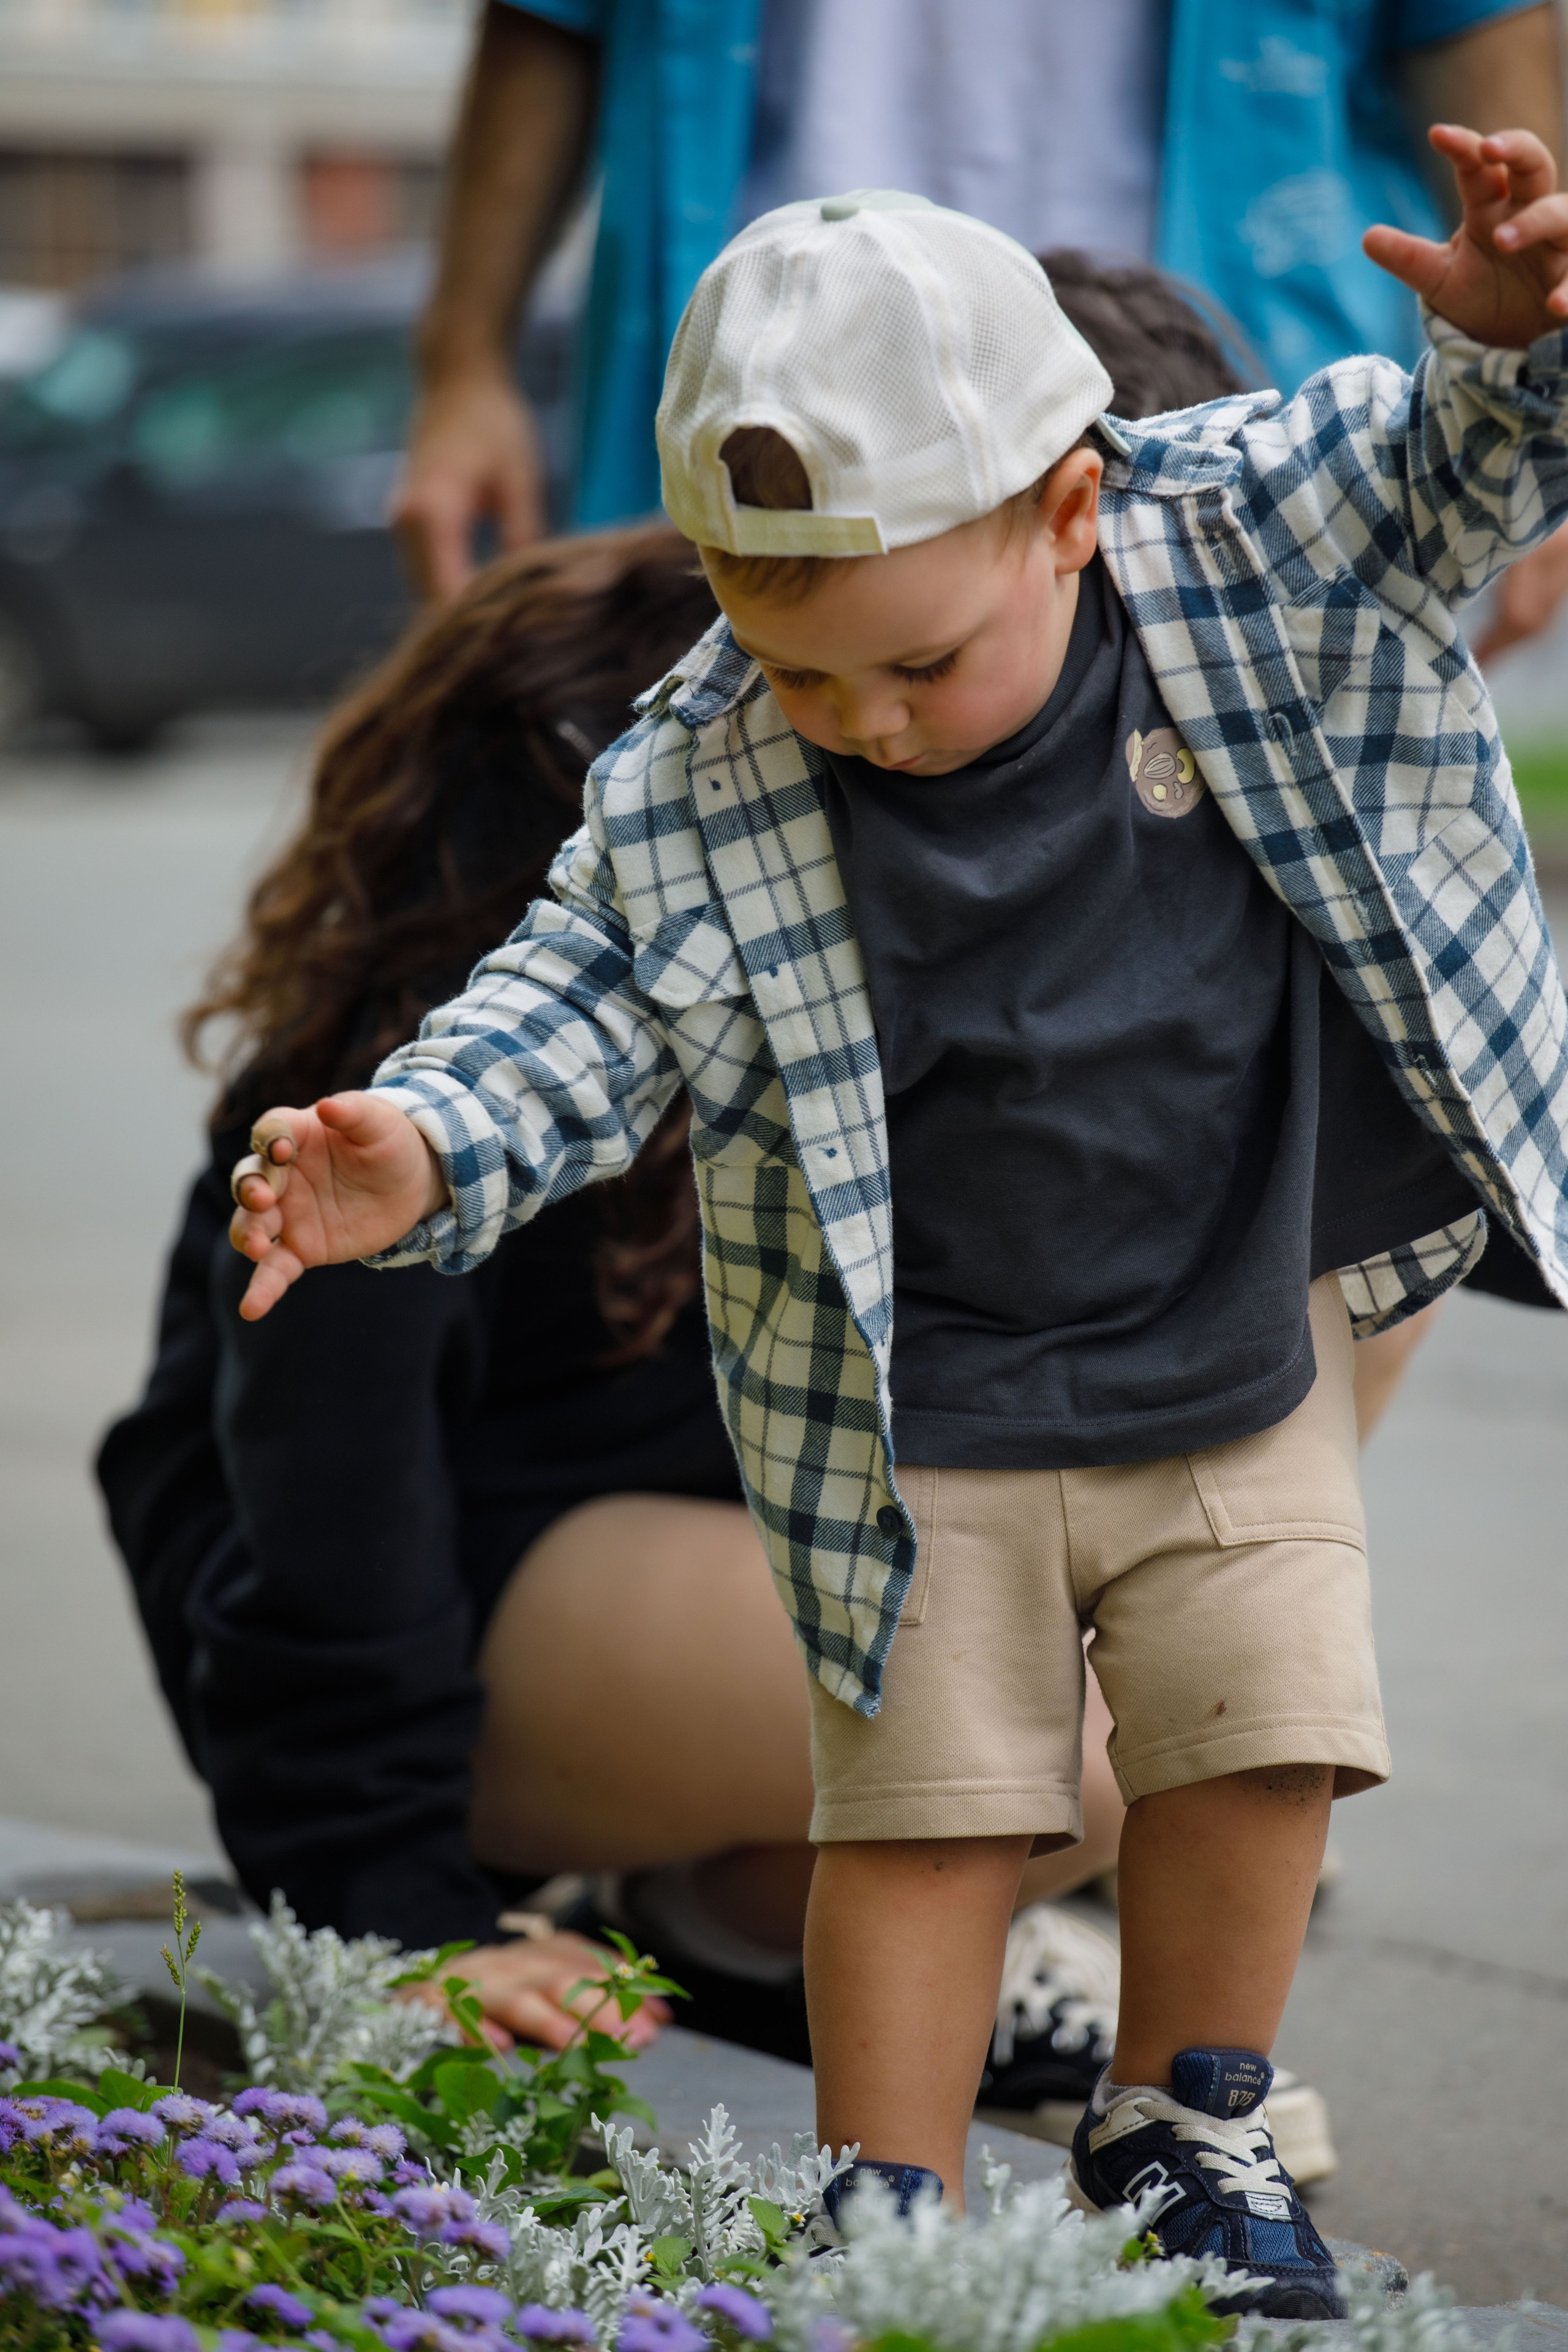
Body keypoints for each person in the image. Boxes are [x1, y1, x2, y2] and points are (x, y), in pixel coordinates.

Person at [226, 135, 1568, 2312]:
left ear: (1069, 508)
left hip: (1223, 1359)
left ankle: (1191, 2114)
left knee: (1267, 1741)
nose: (859, 725)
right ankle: (886, 2188)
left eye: (915, 668)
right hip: (919, 1401)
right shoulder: (704, 767)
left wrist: (1510, 355)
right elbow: (574, 998)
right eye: (798, 668)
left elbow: (1446, 470)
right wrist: (433, 1147)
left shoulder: (1243, 543)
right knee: (935, 1814)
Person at [99, 510, 1136, 2064]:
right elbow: (321, 1516)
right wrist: (391, 1920)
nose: (876, 734)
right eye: (810, 697)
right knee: (1079, 1740)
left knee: (1204, 1645)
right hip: (423, 1605)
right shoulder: (416, 1088)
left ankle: (735, 1926)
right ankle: (767, 1915)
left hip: (641, 1539)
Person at [393, 0, 1564, 586]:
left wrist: (1533, 398)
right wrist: (464, 359)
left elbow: (1474, 32)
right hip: (753, 404)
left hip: (1221, 402)